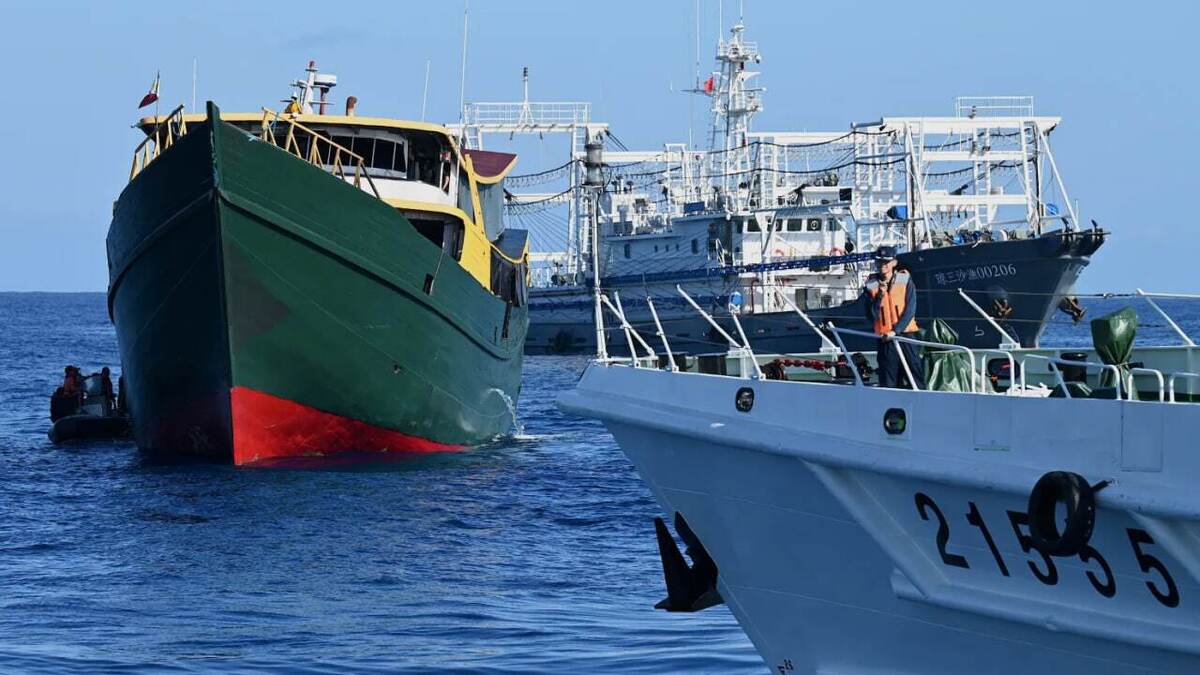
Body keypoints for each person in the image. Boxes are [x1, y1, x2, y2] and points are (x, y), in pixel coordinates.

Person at [862, 247, 925, 389]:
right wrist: (880, 296)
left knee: (915, 376)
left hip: (906, 336)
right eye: (879, 262)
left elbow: (910, 310)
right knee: (888, 380)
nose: (883, 264)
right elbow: (871, 315)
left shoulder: (905, 279)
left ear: (894, 262)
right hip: (885, 340)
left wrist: (896, 331)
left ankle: (921, 405)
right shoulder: (871, 285)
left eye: (886, 261)